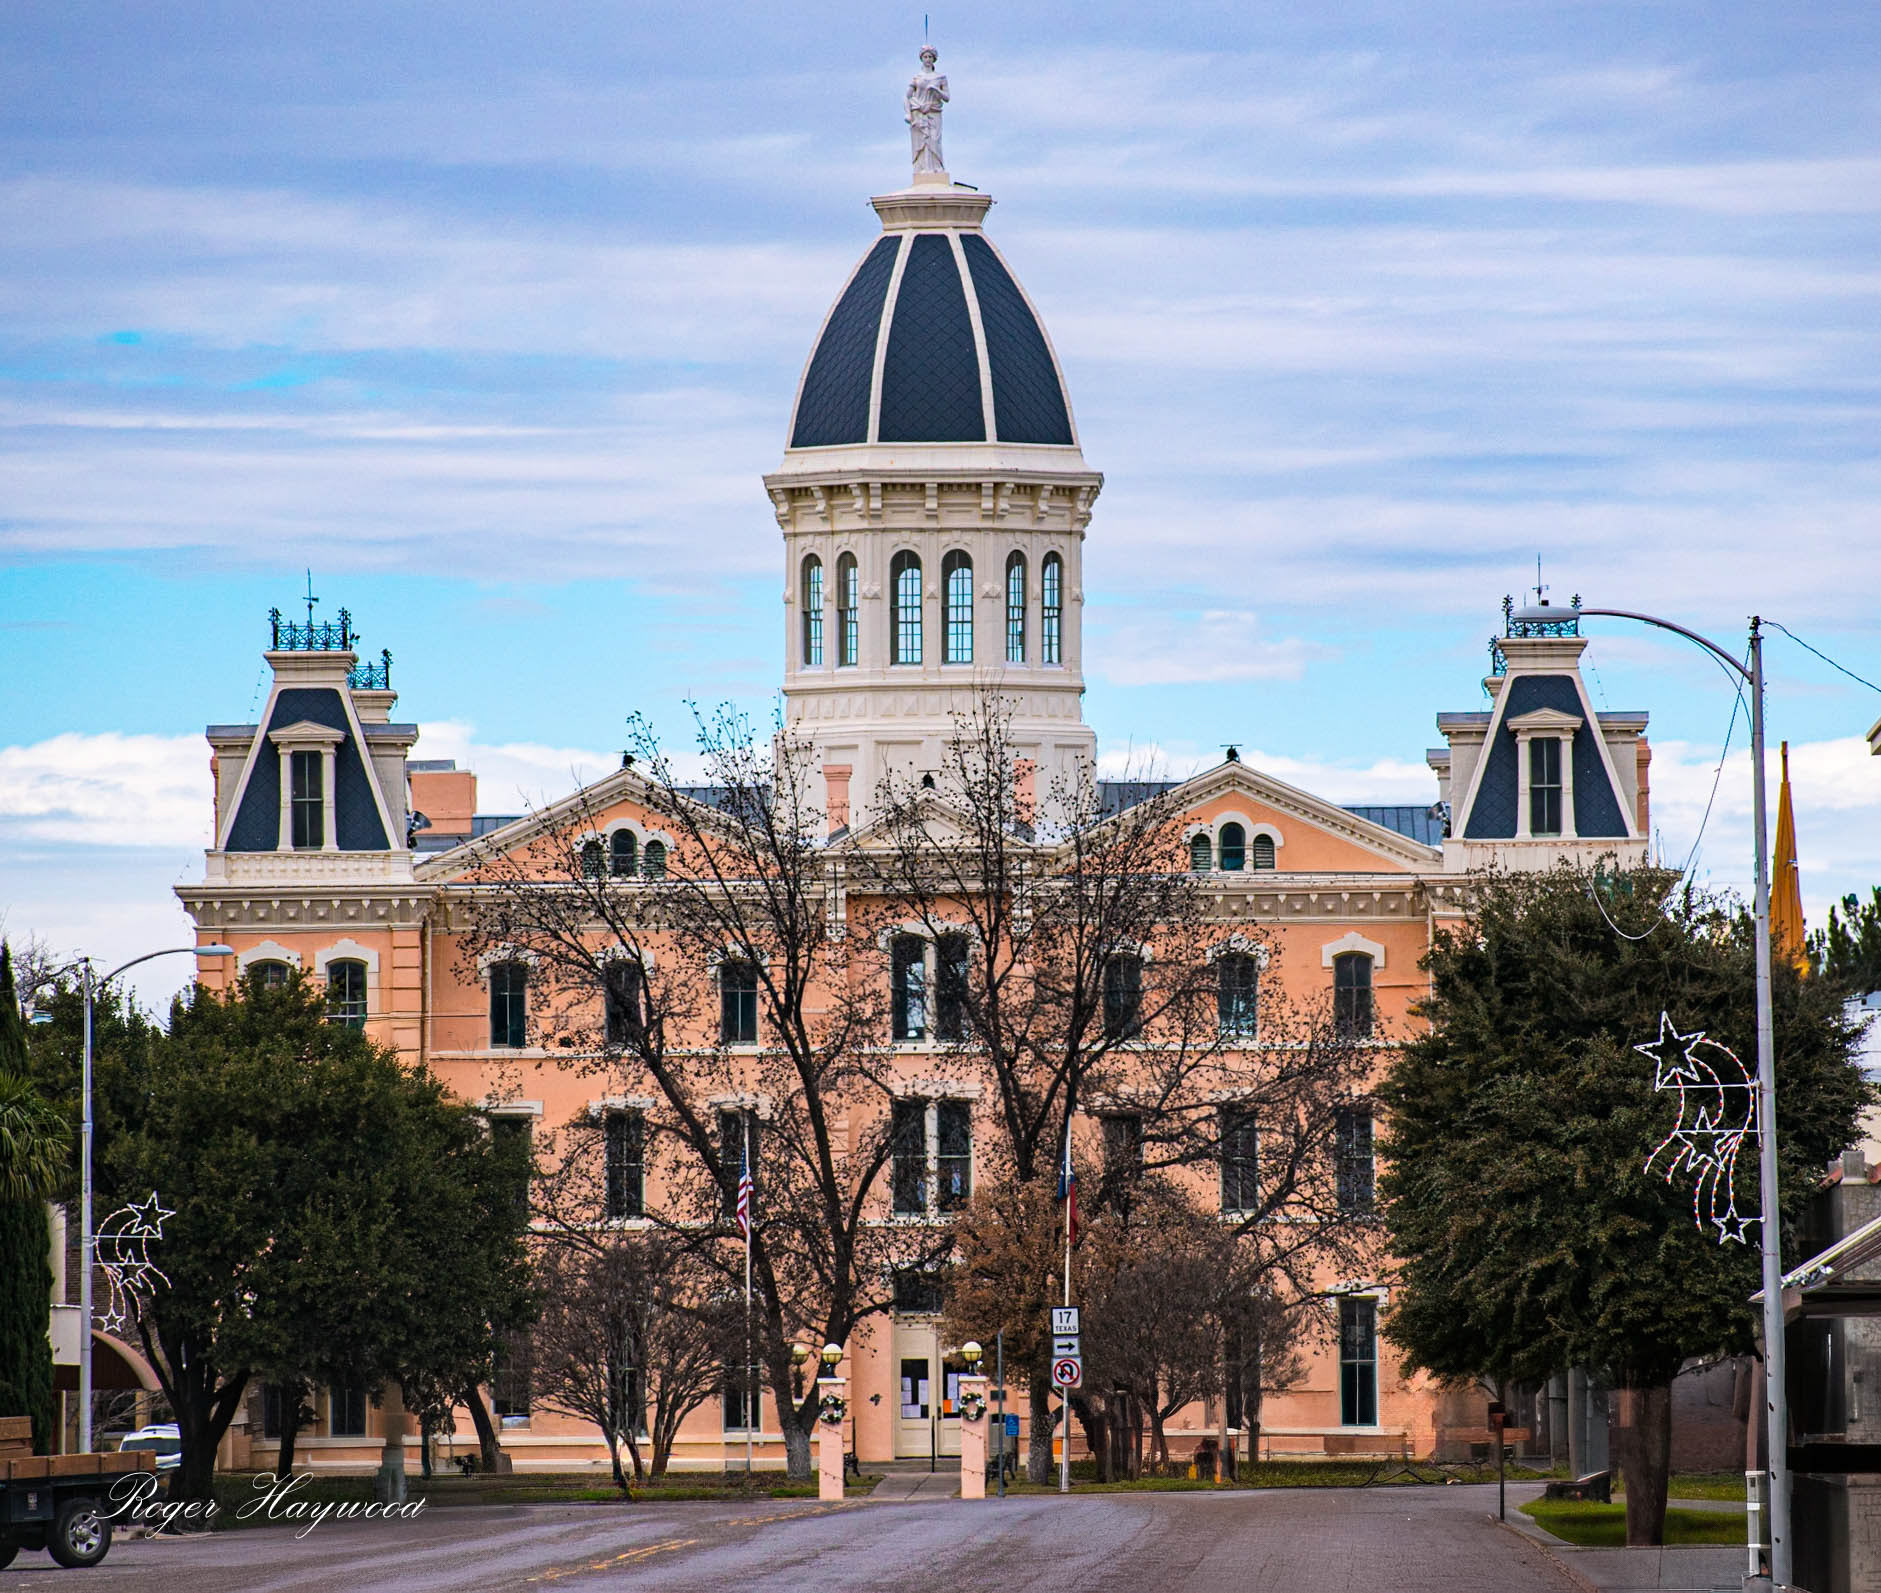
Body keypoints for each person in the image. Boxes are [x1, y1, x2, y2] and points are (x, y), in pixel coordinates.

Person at [906, 45, 948, 175]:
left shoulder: (941, 77)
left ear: (934, 58)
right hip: (919, 113)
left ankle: (936, 167)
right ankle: (922, 167)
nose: (928, 59)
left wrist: (936, 90)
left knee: (934, 139)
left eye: (930, 56)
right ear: (922, 58)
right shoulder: (916, 78)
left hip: (934, 112)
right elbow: (907, 96)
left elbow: (947, 97)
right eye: (925, 56)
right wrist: (908, 113)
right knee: (921, 141)